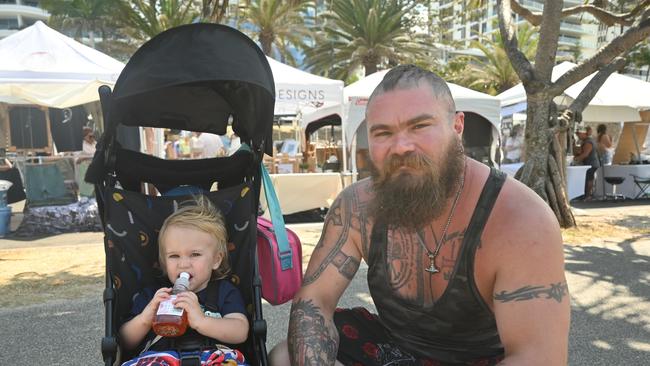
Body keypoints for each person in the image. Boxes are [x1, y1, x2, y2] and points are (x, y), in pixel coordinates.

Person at [269, 65, 569, 365]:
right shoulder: (356, 207)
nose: (401, 147)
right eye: (383, 132)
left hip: (481, 359)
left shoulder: (521, 221)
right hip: (395, 350)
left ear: (457, 126)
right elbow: (314, 303)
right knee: (285, 356)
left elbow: (538, 357)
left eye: (420, 126)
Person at [120, 196, 249, 363]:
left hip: (213, 357)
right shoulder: (154, 295)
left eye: (195, 254)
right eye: (174, 256)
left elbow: (240, 331)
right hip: (161, 358)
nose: (183, 264)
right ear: (164, 264)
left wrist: (201, 321)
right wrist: (145, 318)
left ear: (216, 260)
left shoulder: (224, 291)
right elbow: (124, 341)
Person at [574, 125, 600, 200]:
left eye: (578, 134)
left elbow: (585, 154)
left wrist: (575, 160)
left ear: (583, 133)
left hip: (591, 163)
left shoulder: (588, 142)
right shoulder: (587, 141)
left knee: (589, 178)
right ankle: (586, 195)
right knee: (589, 178)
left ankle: (587, 195)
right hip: (591, 163)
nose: (578, 136)